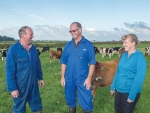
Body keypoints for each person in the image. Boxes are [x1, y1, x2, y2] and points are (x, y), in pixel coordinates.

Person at [6, 26, 44, 113]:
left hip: (33, 84)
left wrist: (40, 77)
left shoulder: (33, 48)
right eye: (31, 34)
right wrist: (12, 88)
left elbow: (37, 64)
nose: (33, 36)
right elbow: (9, 71)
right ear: (23, 35)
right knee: (19, 109)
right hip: (20, 86)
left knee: (37, 106)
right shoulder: (13, 50)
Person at [60, 22, 96, 113]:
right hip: (69, 78)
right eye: (70, 31)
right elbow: (64, 62)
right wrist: (62, 76)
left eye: (74, 30)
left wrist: (89, 78)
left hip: (83, 78)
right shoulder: (67, 46)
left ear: (80, 29)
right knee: (70, 100)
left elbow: (92, 63)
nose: (72, 33)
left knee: (87, 101)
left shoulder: (88, 45)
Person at [110, 34, 147, 113]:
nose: (123, 45)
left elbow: (139, 79)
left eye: (126, 42)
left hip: (129, 91)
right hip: (118, 90)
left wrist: (132, 95)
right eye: (123, 42)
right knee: (118, 110)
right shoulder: (123, 55)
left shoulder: (139, 58)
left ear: (133, 43)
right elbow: (118, 71)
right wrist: (113, 86)